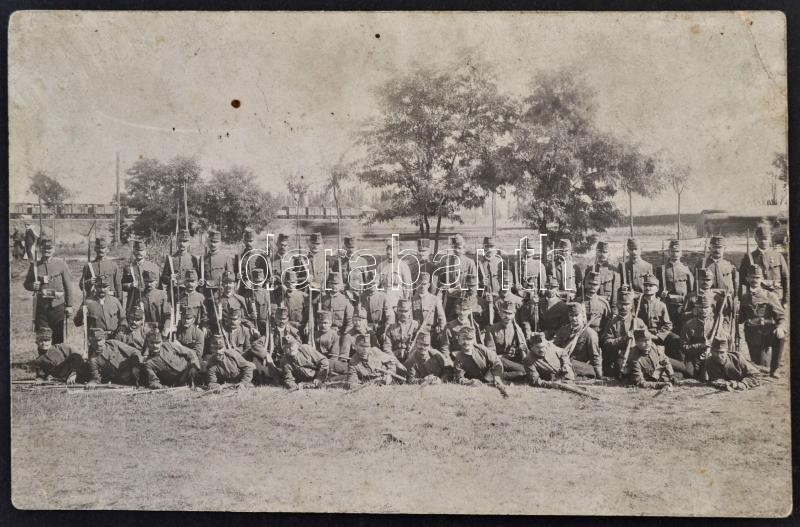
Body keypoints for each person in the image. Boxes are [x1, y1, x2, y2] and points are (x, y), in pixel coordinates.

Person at [23, 235, 74, 344]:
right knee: (42, 336)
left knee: (58, 336)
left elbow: (68, 286)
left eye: (50, 248)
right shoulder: (35, 266)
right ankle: (43, 359)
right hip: (41, 307)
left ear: (54, 249)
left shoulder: (61, 264)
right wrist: (32, 286)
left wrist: (69, 305)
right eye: (44, 248)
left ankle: (58, 359)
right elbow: (26, 284)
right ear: (40, 248)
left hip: (58, 306)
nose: (47, 250)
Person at [739, 265, 786, 378]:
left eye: (757, 277)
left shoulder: (769, 295)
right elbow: (740, 319)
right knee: (760, 367)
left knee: (781, 336)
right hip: (753, 337)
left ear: (761, 279)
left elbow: (781, 316)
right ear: (747, 278)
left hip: (768, 333)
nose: (754, 280)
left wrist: (779, 326)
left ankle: (775, 369)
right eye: (751, 277)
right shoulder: (744, 297)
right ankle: (765, 363)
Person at [635, 273, 682, 372]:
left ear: (657, 289)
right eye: (646, 285)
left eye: (651, 286)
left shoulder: (661, 305)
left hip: (657, 335)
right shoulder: (637, 304)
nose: (648, 288)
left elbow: (668, 325)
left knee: (675, 339)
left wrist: (658, 336)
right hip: (642, 336)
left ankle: (677, 365)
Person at [600, 287, 648, 378]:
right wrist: (624, 339)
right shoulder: (611, 322)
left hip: (635, 356)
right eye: (621, 304)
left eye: (626, 304)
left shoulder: (638, 321)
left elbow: (647, 341)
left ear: (631, 305)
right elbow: (606, 342)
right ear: (617, 304)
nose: (623, 307)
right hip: (617, 356)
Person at [680, 292, 729, 379]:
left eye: (706, 307)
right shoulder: (688, 325)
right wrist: (701, 346)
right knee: (690, 374)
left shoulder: (716, 324)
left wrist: (713, 347)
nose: (703, 310)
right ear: (695, 309)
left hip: (711, 355)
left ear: (711, 309)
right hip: (694, 356)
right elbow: (683, 347)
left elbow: (723, 344)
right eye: (700, 307)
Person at [739, 222, 788, 305]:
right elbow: (743, 279)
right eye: (760, 239)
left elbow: (785, 278)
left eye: (765, 239)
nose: (763, 241)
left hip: (776, 296)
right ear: (756, 239)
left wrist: (785, 300)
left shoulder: (778, 256)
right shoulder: (749, 257)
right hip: (757, 297)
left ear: (770, 239)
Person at [553, 303, 603, 378]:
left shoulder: (590, 333)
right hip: (563, 362)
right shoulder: (563, 330)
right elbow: (554, 347)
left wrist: (599, 375)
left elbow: (595, 356)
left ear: (582, 316)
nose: (573, 318)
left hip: (580, 366)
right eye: (571, 315)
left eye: (576, 315)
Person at [484, 301, 528, 381]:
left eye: (510, 313)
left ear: (514, 315)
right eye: (505, 313)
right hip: (497, 360)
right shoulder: (492, 329)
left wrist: (518, 350)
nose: (507, 316)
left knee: (526, 371)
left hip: (512, 361)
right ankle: (496, 374)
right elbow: (490, 351)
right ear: (500, 313)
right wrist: (501, 357)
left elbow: (523, 348)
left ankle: (499, 376)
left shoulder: (517, 329)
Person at [452, 326, 506, 391]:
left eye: (469, 339)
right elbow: (459, 378)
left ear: (473, 340)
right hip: (488, 377)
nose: (466, 342)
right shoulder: (459, 358)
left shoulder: (480, 348)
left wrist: (497, 376)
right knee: (518, 374)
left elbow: (496, 361)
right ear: (459, 340)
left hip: (499, 367)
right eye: (463, 339)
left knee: (521, 372)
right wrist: (470, 382)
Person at [658, 239, 694, 332]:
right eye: (672, 251)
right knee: (667, 329)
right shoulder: (661, 269)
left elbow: (691, 290)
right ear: (668, 252)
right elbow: (656, 287)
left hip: (682, 305)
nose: (675, 254)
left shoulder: (686, 269)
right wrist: (660, 293)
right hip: (667, 305)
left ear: (681, 253)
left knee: (682, 329)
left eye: (677, 251)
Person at [73, 275, 126, 339]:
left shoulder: (115, 301)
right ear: (95, 287)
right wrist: (81, 314)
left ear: (109, 288)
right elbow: (77, 323)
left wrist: (121, 329)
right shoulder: (87, 302)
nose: (102, 289)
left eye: (104, 287)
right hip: (96, 340)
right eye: (99, 287)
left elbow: (123, 318)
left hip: (114, 338)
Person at [160, 228, 199, 305]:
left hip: (188, 293)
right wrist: (170, 278)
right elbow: (163, 278)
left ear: (189, 243)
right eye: (180, 241)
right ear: (177, 242)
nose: (182, 244)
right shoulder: (171, 258)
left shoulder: (193, 259)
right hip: (173, 293)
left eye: (185, 241)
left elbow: (198, 277)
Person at [121, 238, 160, 313]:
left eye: (141, 250)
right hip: (134, 302)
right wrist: (130, 285)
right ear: (133, 251)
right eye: (137, 250)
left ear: (145, 252)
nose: (139, 253)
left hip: (150, 302)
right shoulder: (128, 268)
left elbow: (158, 286)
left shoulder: (153, 267)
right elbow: (122, 285)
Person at [410, 272, 446, 346]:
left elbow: (442, 318)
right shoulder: (411, 300)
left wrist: (441, 332)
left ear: (428, 285)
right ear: (416, 285)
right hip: (416, 334)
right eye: (420, 283)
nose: (422, 286)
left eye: (424, 284)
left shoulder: (434, 299)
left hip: (431, 334)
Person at [442, 234, 477, 308]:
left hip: (464, 298)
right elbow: (442, 280)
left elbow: (474, 283)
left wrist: (470, 295)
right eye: (455, 247)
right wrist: (445, 287)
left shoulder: (469, 262)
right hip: (449, 299)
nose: (457, 250)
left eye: (459, 248)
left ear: (464, 249)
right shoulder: (447, 262)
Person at [584, 240, 619, 309]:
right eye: (599, 251)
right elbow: (585, 290)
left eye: (605, 252)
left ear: (609, 254)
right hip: (593, 305)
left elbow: (615, 292)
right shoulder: (589, 269)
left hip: (608, 305)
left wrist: (614, 308)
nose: (602, 254)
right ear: (596, 252)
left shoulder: (613, 271)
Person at [320, 273, 354, 342]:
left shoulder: (345, 300)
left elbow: (350, 322)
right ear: (329, 285)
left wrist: (344, 334)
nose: (334, 286)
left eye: (337, 284)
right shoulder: (323, 299)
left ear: (341, 286)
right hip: (324, 332)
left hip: (339, 332)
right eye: (332, 283)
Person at [235, 227, 269, 296]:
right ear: (244, 241)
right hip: (243, 290)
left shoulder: (260, 257)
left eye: (251, 241)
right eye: (247, 241)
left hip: (257, 290)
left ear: (255, 241)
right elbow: (235, 272)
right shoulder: (239, 256)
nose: (249, 243)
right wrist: (237, 276)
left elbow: (266, 276)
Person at [200, 229, 234, 294]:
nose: (213, 244)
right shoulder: (202, 259)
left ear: (220, 243)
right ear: (208, 241)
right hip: (206, 293)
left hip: (221, 292)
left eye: (216, 242)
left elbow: (231, 278)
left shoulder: (226, 258)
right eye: (211, 241)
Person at [139, 270, 173, 337]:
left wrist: (166, 329)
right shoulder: (140, 295)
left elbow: (168, 315)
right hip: (146, 329)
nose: (149, 284)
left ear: (156, 281)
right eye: (146, 281)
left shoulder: (162, 294)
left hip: (161, 328)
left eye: (151, 282)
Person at [537, 275, 570, 340]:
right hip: (540, 336)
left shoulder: (562, 306)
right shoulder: (540, 303)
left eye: (552, 288)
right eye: (547, 288)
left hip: (556, 338)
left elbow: (563, 327)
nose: (549, 290)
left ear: (557, 289)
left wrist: (550, 334)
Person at [581, 271, 612, 335]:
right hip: (581, 335)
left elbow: (607, 323)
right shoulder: (578, 301)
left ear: (599, 286)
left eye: (595, 284)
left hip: (598, 335)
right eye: (590, 283)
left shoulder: (603, 303)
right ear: (585, 284)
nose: (592, 286)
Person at [243, 268, 271, 335]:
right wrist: (250, 316)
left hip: (267, 325)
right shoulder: (247, 296)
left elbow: (274, 310)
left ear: (264, 280)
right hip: (253, 326)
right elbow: (243, 315)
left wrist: (269, 322)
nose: (258, 284)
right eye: (256, 281)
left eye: (260, 281)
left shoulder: (268, 294)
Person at [283, 270, 309, 335]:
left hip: (302, 328)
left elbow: (309, 315)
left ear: (296, 282)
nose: (291, 285)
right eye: (288, 283)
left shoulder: (303, 296)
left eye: (293, 282)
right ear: (285, 283)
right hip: (288, 328)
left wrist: (307, 325)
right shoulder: (282, 298)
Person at [268, 233, 293, 305]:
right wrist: (271, 279)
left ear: (288, 246)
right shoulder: (270, 260)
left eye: (285, 245)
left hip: (289, 294)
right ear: (277, 244)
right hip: (275, 294)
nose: (283, 247)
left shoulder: (293, 260)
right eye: (281, 245)